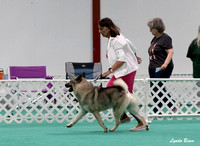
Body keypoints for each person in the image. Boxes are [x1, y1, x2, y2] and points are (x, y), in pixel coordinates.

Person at [98, 17, 144, 131]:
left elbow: (122, 59)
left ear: (108, 28)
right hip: (121, 71)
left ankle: (141, 122)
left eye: (101, 29)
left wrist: (109, 71)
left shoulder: (116, 40)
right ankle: (123, 117)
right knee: (110, 91)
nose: (100, 31)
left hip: (126, 70)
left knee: (126, 97)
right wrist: (134, 56)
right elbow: (132, 46)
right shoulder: (115, 38)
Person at [147, 18, 175, 113]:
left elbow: (170, 52)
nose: (150, 30)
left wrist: (165, 63)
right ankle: (158, 109)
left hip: (162, 67)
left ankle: (170, 105)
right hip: (153, 67)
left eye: (151, 28)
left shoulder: (166, 38)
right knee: (154, 89)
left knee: (157, 88)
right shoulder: (154, 39)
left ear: (157, 28)